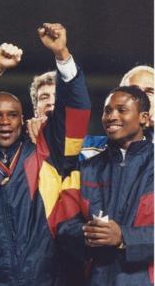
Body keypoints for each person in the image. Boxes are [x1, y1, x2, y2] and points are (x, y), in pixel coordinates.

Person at [0, 23, 91, 285]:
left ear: (22, 120)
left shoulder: (46, 151)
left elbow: (76, 110)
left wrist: (62, 55)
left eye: (12, 115)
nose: (4, 122)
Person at [54, 86, 153, 285]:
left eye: (121, 110)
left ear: (143, 118)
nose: (111, 116)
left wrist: (123, 237)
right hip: (96, 278)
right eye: (107, 110)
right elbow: (64, 224)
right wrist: (89, 234)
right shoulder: (87, 167)